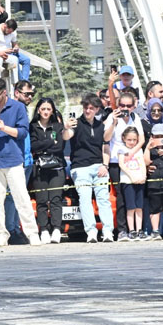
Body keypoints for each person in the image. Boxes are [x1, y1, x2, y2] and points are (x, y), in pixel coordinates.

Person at [0, 77, 42, 246]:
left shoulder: (18, 107)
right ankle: (1, 234)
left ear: (4, 93)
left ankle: (32, 232)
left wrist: (4, 128)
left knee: (21, 197)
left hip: (13, 158)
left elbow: (22, 132)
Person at [65, 95, 115, 243]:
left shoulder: (101, 126)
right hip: (80, 167)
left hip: (99, 165)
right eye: (86, 107)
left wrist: (105, 165)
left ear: (97, 109)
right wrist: (66, 127)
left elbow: (106, 145)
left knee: (103, 199)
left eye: (91, 108)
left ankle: (108, 232)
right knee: (85, 199)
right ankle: (91, 232)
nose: (88, 110)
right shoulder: (77, 123)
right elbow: (67, 136)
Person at [103, 92, 146, 241]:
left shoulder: (135, 118)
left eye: (128, 106)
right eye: (122, 105)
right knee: (121, 196)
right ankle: (122, 230)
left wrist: (131, 153)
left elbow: (141, 139)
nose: (125, 108)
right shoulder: (112, 117)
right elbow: (106, 138)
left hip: (133, 160)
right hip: (116, 161)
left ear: (134, 106)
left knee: (137, 195)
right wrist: (114, 122)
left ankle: (137, 229)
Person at [29, 98, 65, 243]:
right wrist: (50, 142)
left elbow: (59, 147)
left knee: (56, 198)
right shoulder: (32, 127)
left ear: (52, 111)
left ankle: (57, 228)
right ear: (38, 110)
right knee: (41, 199)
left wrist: (43, 145)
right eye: (43, 109)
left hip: (56, 166)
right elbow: (33, 146)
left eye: (48, 109)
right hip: (39, 167)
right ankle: (43, 229)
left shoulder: (57, 126)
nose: (45, 112)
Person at [115, 127, 147, 239]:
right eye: (129, 140)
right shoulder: (121, 149)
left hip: (140, 181)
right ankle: (131, 230)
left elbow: (142, 163)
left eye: (134, 140)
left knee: (139, 207)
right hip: (128, 181)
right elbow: (122, 164)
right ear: (124, 138)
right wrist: (132, 176)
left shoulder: (139, 150)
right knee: (131, 207)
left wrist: (144, 176)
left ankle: (139, 229)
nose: (132, 142)